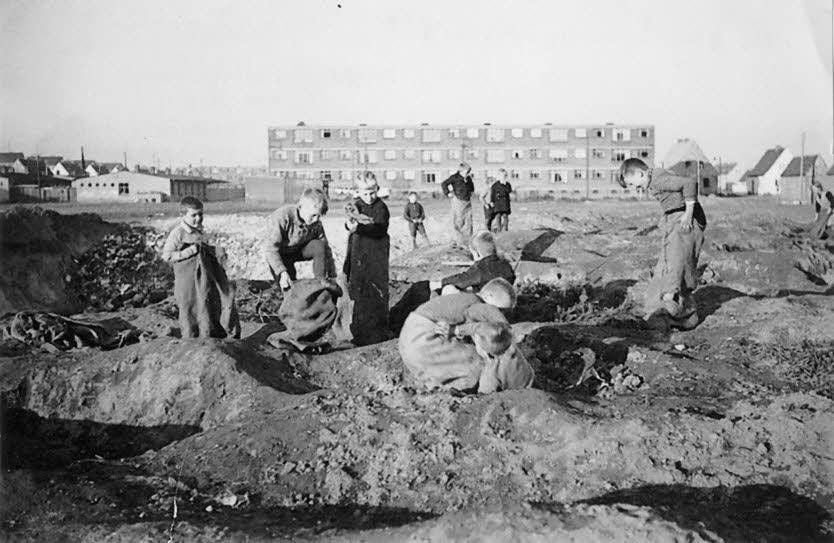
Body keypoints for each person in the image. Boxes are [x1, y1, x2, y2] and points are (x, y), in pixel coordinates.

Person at [398, 278, 534, 393]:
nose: (499, 314)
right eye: (501, 310)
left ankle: (442, 389)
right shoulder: (480, 306)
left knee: (460, 361)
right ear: (489, 297)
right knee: (480, 362)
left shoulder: (463, 298)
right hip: (424, 337)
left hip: (409, 337)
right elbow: (498, 331)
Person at [618, 158, 707, 331]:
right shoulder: (655, 179)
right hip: (674, 220)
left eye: (632, 183)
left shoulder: (658, 179)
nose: (633, 189)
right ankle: (665, 312)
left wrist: (688, 214)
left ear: (641, 173)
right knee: (664, 268)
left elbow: (689, 183)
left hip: (685, 223)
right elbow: (672, 201)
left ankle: (674, 309)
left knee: (675, 266)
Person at [162, 196, 240, 339]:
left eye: (201, 214)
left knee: (205, 306)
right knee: (189, 309)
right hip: (186, 281)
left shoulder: (199, 231)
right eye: (194, 215)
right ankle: (190, 341)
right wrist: (189, 252)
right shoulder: (178, 233)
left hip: (202, 278)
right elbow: (167, 256)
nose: (198, 218)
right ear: (182, 215)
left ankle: (207, 338)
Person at [343, 171, 392, 345]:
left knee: (378, 291)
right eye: (365, 193)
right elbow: (351, 225)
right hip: (359, 255)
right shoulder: (355, 205)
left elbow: (379, 230)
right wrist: (349, 226)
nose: (369, 197)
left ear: (377, 189)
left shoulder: (381, 208)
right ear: (357, 192)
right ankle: (358, 330)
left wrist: (359, 229)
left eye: (372, 193)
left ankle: (379, 329)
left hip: (377, 255)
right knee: (359, 291)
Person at [262, 188, 335, 291]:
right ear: (301, 207)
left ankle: (320, 282)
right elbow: (271, 249)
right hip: (281, 255)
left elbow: (325, 248)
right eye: (313, 215)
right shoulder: (283, 217)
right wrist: (282, 272)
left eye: (319, 216)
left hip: (299, 251)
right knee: (288, 288)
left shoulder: (316, 224)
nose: (316, 220)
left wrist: (332, 274)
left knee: (318, 245)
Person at [430, 231, 515, 294]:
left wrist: (440, 283)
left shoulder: (480, 268)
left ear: (477, 253)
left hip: (486, 305)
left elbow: (461, 279)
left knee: (448, 289)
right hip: (503, 300)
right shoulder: (506, 264)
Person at [441, 162, 475, 247]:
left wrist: (471, 192)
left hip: (467, 202)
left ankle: (468, 242)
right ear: (461, 170)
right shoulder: (454, 177)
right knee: (459, 221)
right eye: (467, 171)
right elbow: (444, 184)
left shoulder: (468, 178)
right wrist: (448, 193)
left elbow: (472, 187)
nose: (468, 173)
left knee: (468, 222)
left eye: (469, 171)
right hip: (458, 201)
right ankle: (459, 242)